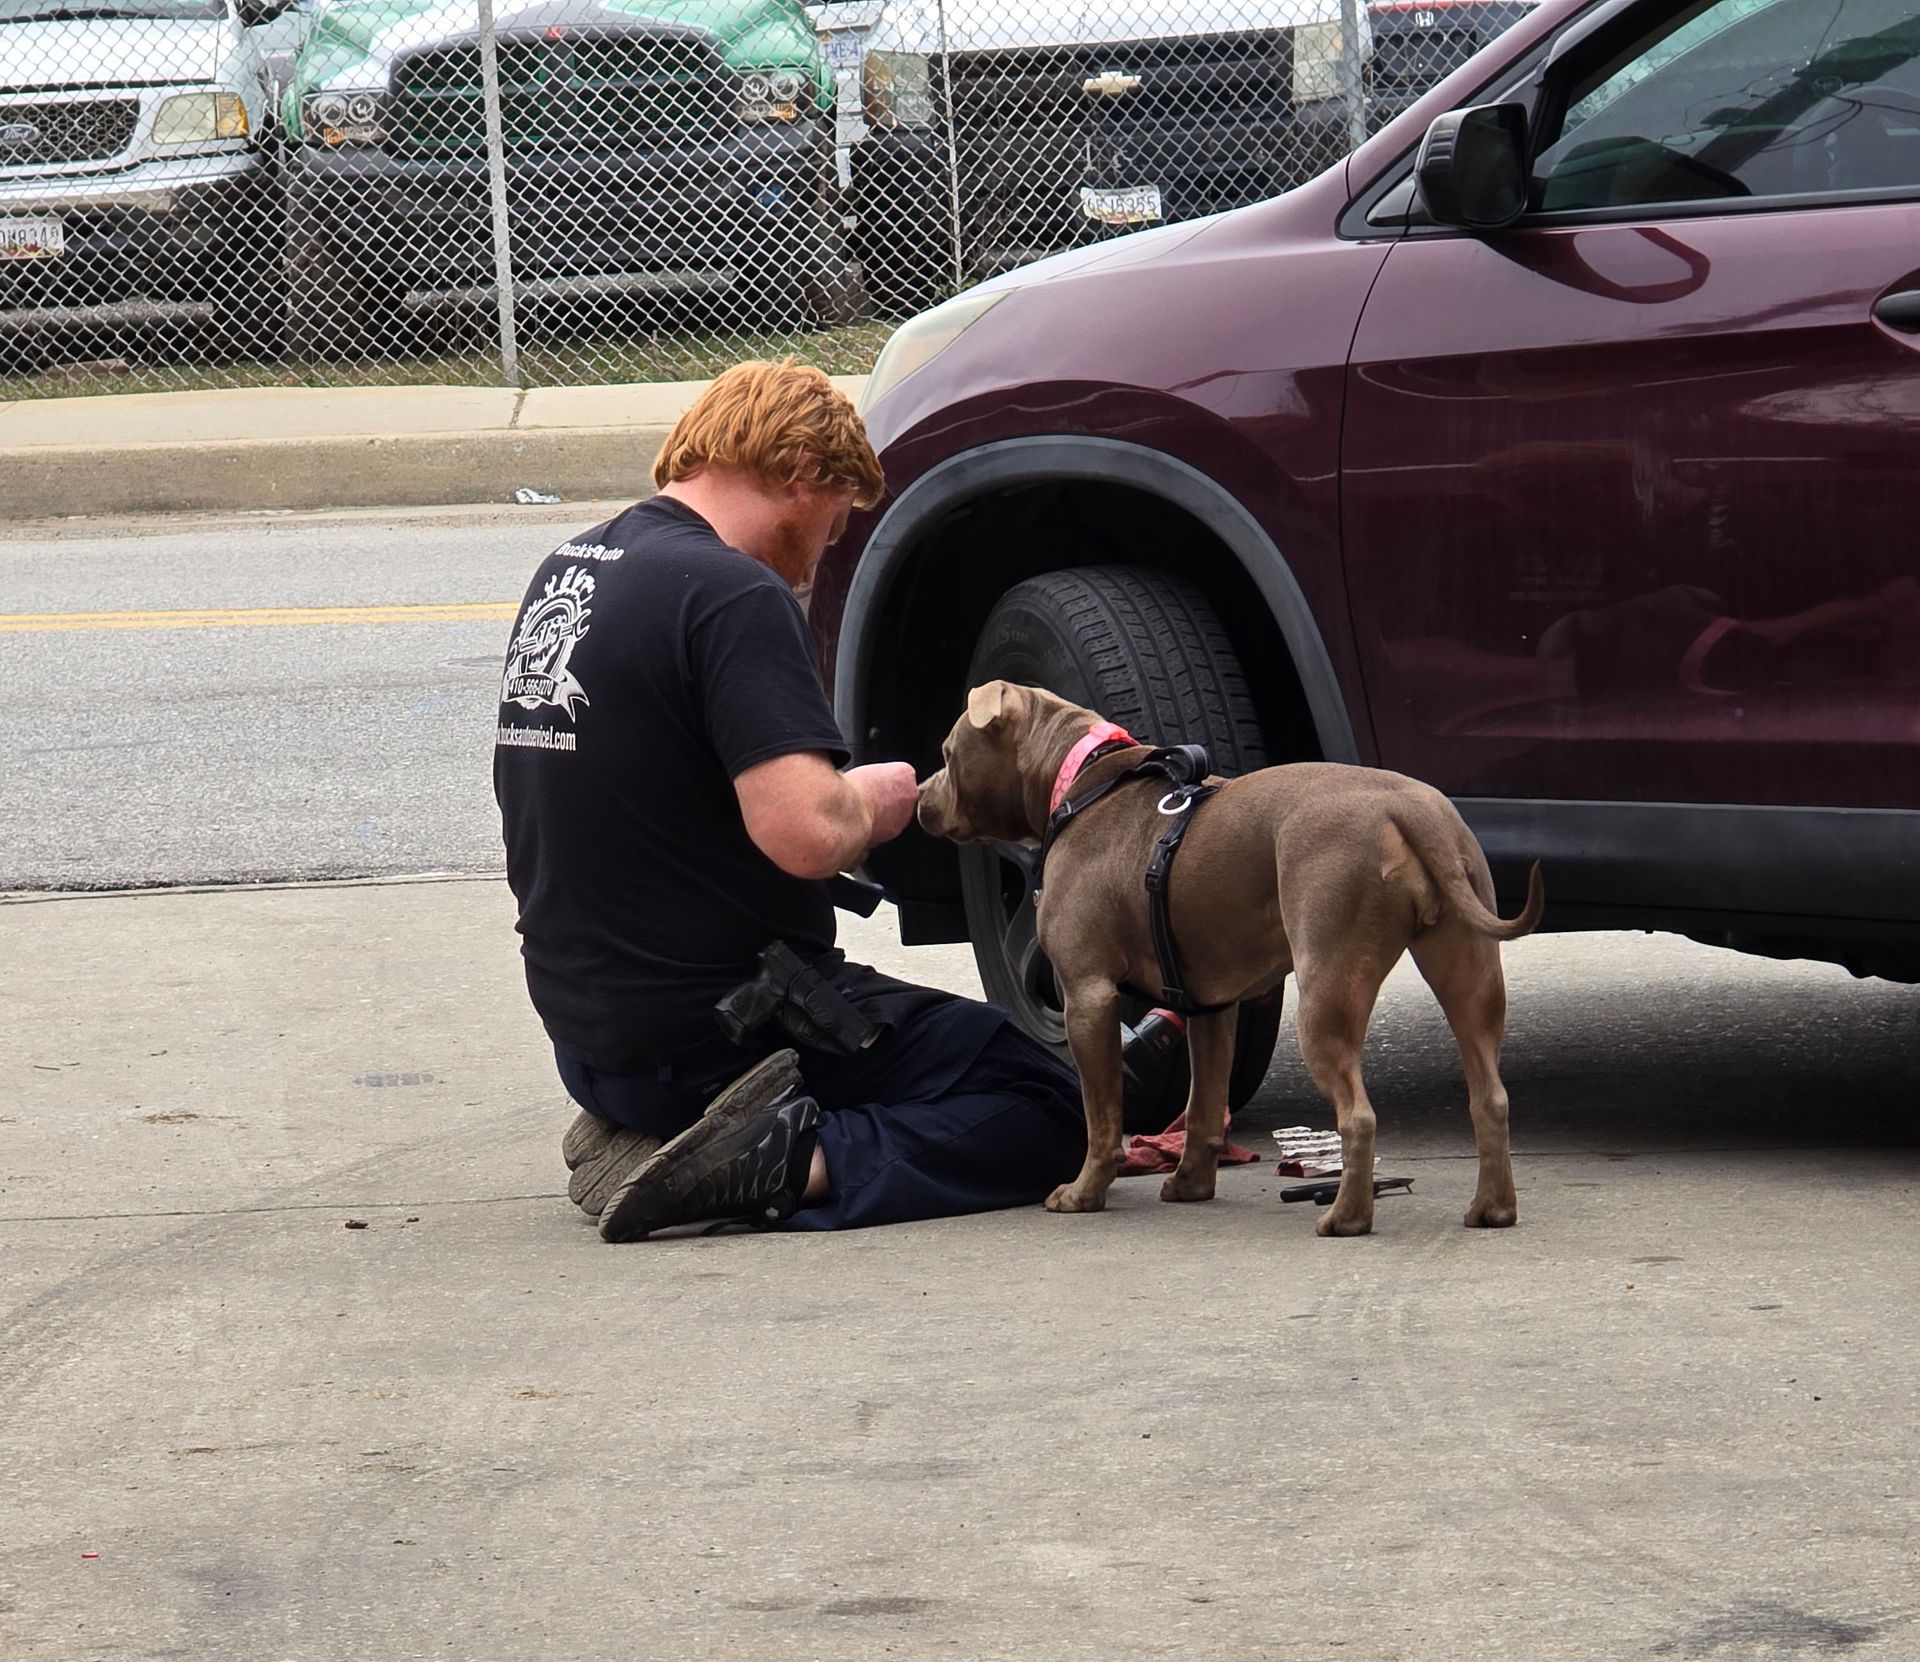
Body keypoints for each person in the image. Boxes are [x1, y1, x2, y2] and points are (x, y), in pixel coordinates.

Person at [493, 359, 1088, 1241]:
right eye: (837, 518)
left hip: (590, 1036)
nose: (828, 546)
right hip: (719, 1033)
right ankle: (763, 1161)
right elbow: (808, 834)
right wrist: (879, 797)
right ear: (801, 472)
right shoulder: (732, 592)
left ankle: (654, 1131)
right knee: (1041, 1097)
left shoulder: (578, 565)